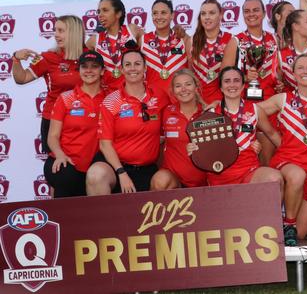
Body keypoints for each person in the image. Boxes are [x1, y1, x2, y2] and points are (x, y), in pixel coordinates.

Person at [259, 54, 307, 243]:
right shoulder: (282, 99)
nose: (306, 71)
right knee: (297, 175)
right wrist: (273, 136)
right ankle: (288, 223)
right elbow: (252, 112)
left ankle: (288, 226)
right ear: (292, 73)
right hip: (288, 162)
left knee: (300, 235)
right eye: (300, 68)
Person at [86, 50, 169, 195]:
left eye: (137, 64)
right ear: (122, 69)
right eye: (128, 64)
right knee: (96, 175)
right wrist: (121, 173)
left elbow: (179, 110)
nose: (132, 68)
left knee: (164, 181)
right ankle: (101, 217)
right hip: (115, 167)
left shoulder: (159, 95)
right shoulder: (111, 101)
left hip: (146, 167)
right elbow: (105, 145)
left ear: (145, 68)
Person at [194, 66, 284, 188]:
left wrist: (288, 155)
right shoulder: (211, 112)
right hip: (220, 174)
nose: (232, 85)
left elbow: (272, 134)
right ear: (220, 87)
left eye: (236, 80)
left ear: (243, 85)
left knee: (275, 178)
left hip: (249, 171)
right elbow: (202, 147)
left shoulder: (255, 109)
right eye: (227, 81)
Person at [12, 15, 85, 153]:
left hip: (85, 120)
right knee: (58, 168)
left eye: (61, 31)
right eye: (55, 30)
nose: (56, 35)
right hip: (54, 122)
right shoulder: (47, 57)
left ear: (74, 32)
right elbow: (21, 78)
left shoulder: (90, 56)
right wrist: (16, 58)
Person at [224, 0, 281, 165]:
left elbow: (278, 69)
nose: (251, 14)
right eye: (247, 11)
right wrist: (244, 76)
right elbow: (224, 73)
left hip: (270, 102)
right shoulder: (236, 40)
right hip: (245, 103)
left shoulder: (274, 39)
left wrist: (280, 82)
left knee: (270, 155)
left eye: (256, 10)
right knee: (247, 153)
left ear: (264, 13)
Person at [44, 51, 107, 197]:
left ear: (102, 71)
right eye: (84, 67)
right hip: (66, 161)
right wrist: (60, 155)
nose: (89, 70)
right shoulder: (65, 98)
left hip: (95, 166)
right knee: (65, 176)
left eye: (95, 66)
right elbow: (52, 136)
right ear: (78, 71)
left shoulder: (111, 99)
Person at [150, 69, 209, 190]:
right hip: (175, 180)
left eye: (188, 84)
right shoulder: (166, 112)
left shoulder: (208, 114)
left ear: (196, 86)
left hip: (204, 182)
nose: (183, 89)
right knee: (159, 180)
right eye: (178, 86)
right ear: (173, 91)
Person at [86, 0, 143, 90]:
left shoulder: (132, 30)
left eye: (105, 10)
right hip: (107, 95)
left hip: (133, 92)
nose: (100, 15)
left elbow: (152, 47)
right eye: (99, 12)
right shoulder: (94, 40)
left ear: (118, 13)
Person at [189, 0, 237, 104]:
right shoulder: (192, 41)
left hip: (222, 99)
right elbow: (189, 76)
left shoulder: (231, 40)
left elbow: (226, 77)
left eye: (211, 13)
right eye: (203, 13)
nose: (206, 17)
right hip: (197, 100)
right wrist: (199, 101)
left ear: (220, 15)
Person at [141, 0, 189, 95]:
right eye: (155, 13)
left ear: (172, 15)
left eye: (163, 13)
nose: (158, 17)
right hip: (153, 102)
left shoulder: (183, 39)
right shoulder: (142, 40)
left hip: (179, 100)